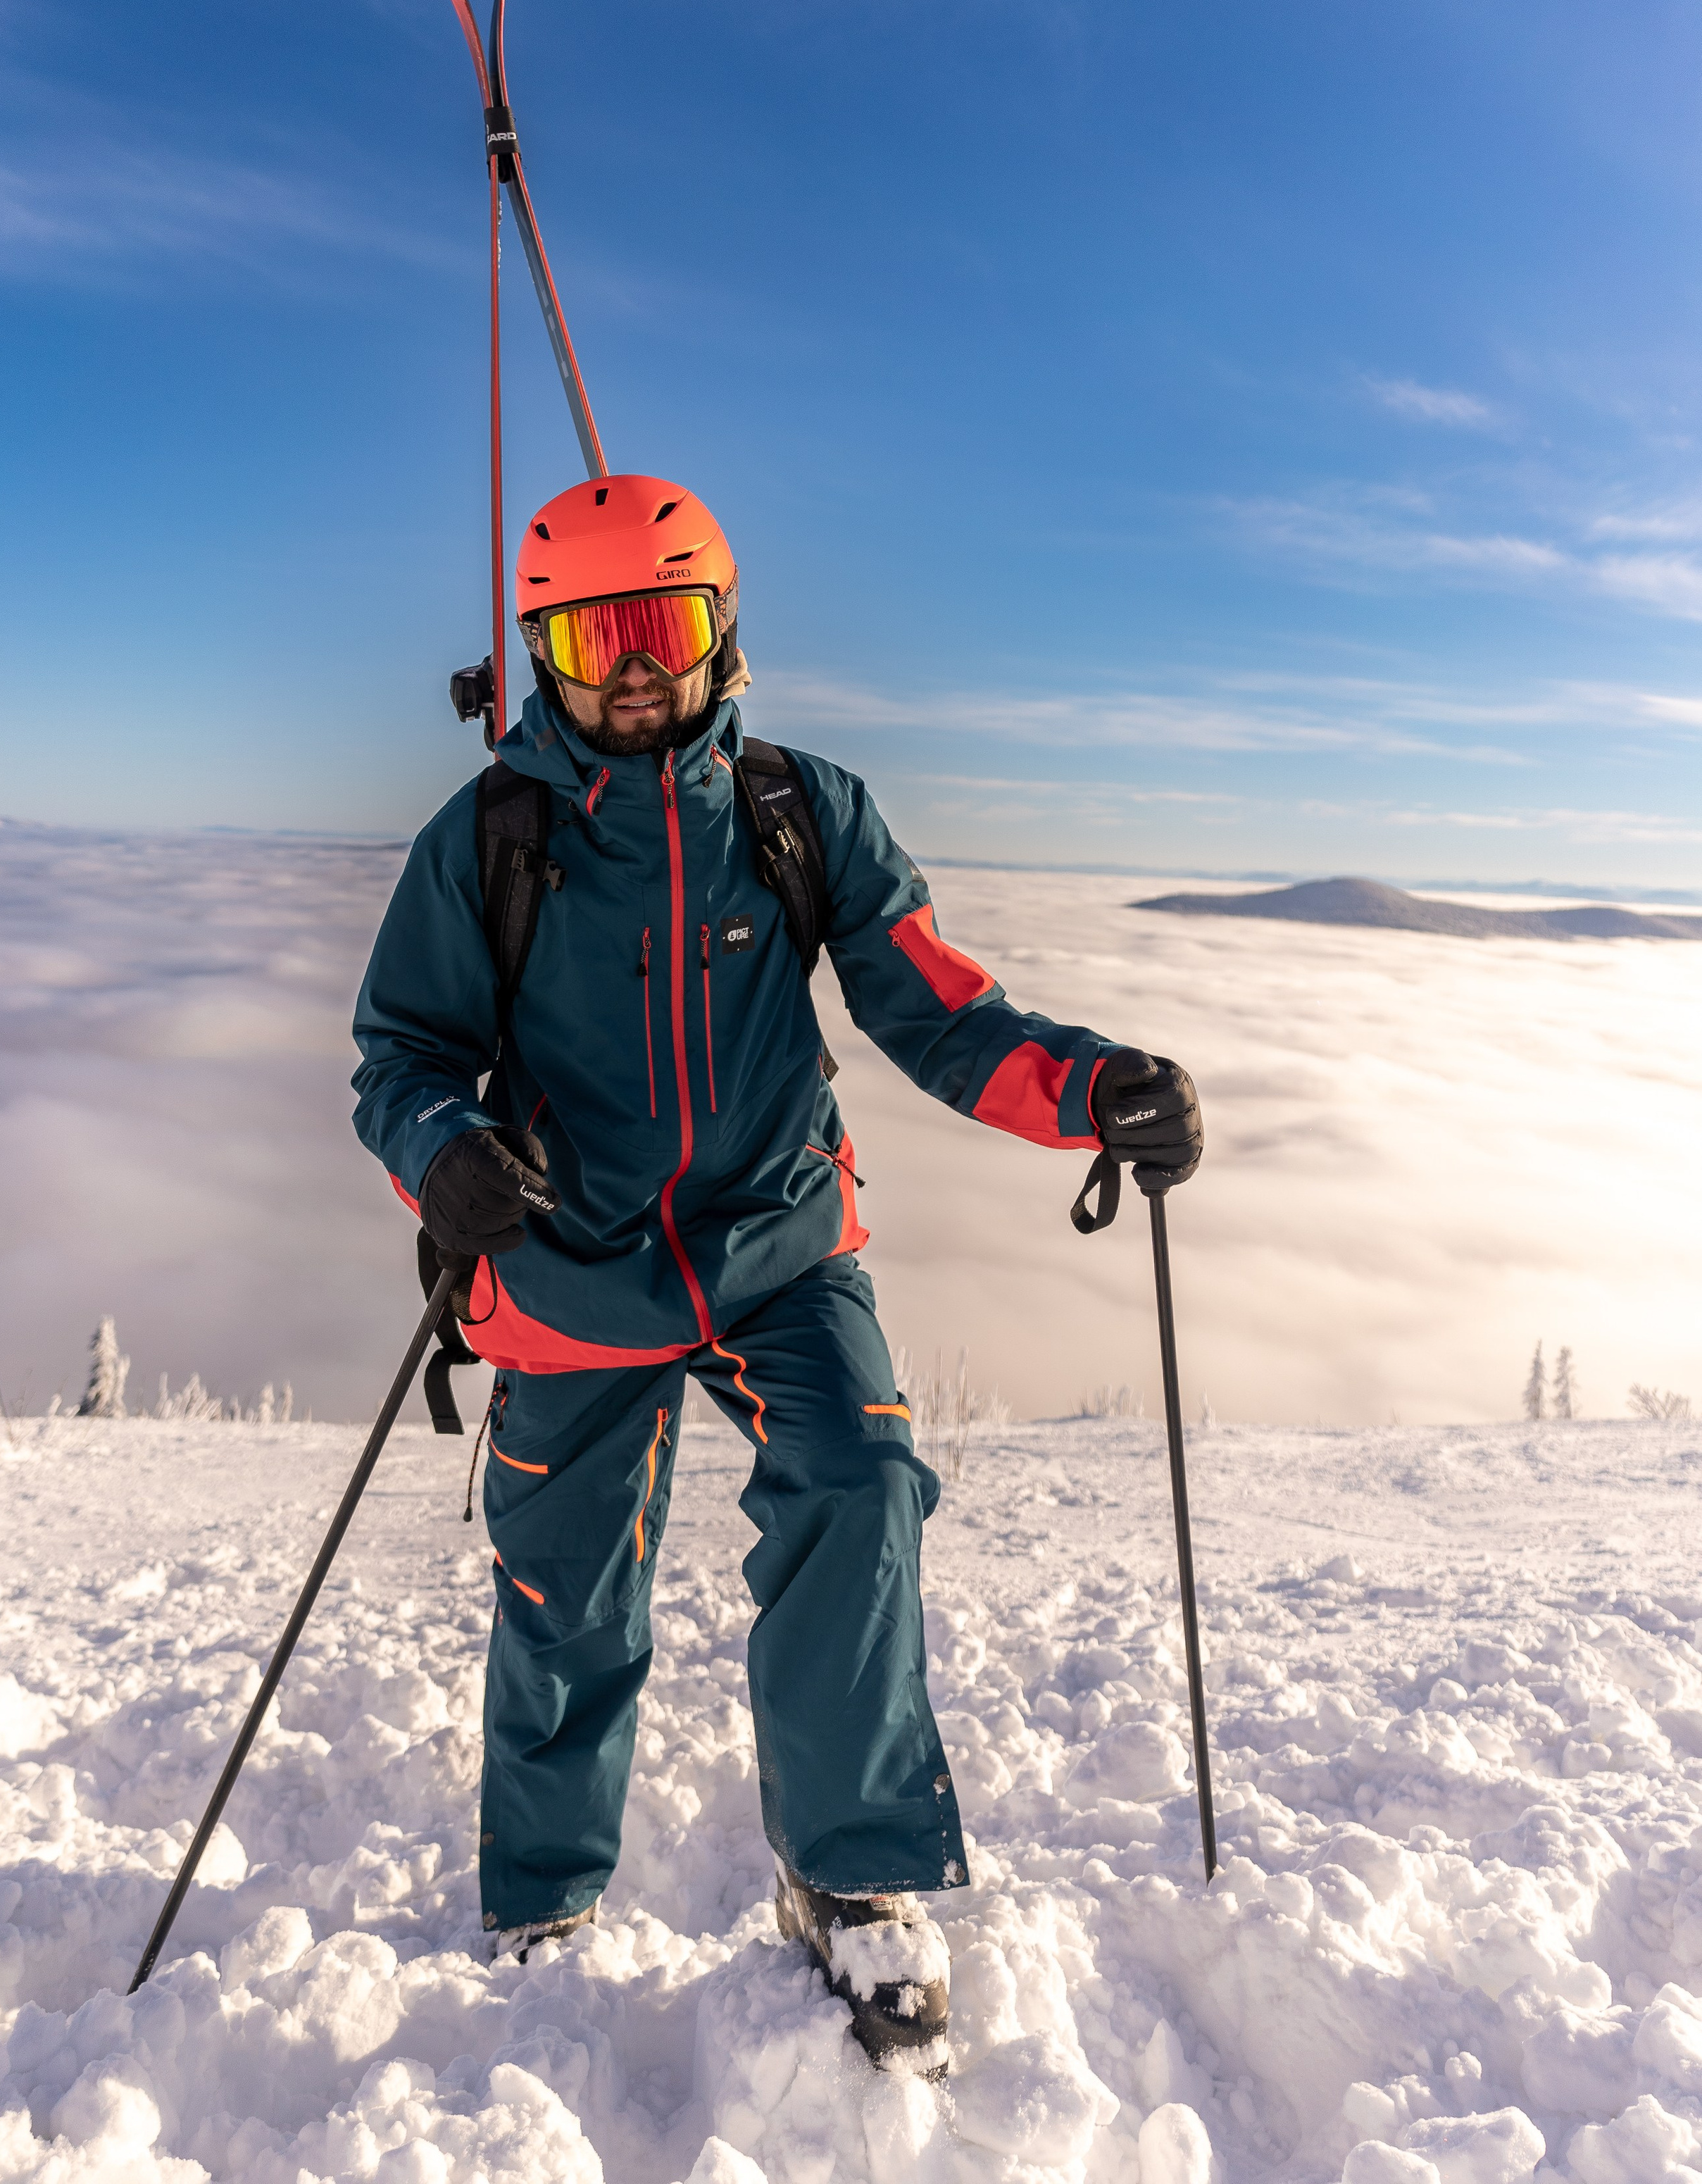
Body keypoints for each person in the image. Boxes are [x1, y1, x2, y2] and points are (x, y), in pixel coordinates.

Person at [351, 473, 1203, 2068]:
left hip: (774, 1247)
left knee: (858, 1483)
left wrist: (1094, 1088)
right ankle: (542, 1898)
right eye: (588, 634)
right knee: (565, 1598)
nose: (628, 671)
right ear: (537, 649)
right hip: (562, 1270)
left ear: (720, 630)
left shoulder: (799, 813)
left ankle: (852, 1878)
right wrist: (439, 1147)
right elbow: (398, 1050)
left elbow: (939, 1011)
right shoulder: (488, 840)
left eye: (660, 626)